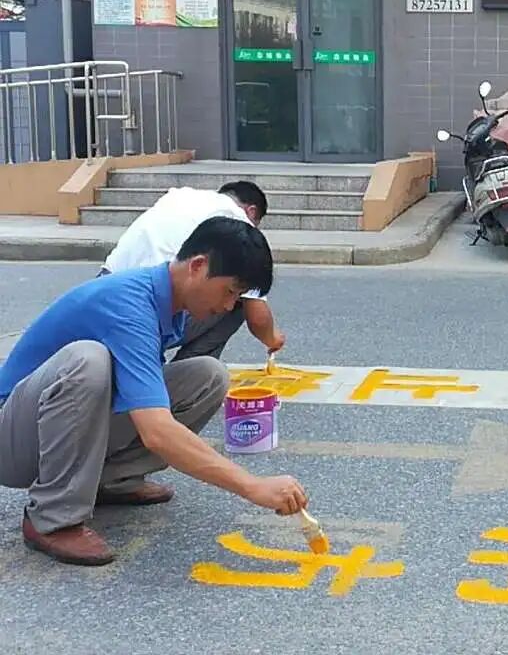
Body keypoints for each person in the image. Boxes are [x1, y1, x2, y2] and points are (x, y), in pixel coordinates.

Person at [0, 217, 307, 567]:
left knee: (208, 376)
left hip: (50, 428)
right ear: (197, 266)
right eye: (230, 291)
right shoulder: (128, 304)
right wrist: (252, 486)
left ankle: (110, 481)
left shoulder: (168, 306)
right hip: (13, 439)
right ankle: (53, 517)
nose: (228, 306)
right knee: (88, 360)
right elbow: (156, 431)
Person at [101, 181, 285, 362]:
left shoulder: (180, 195)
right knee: (240, 304)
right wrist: (273, 339)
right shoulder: (235, 227)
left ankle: (185, 370)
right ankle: (190, 365)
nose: (227, 305)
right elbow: (257, 318)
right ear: (251, 211)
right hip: (143, 310)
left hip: (109, 285)